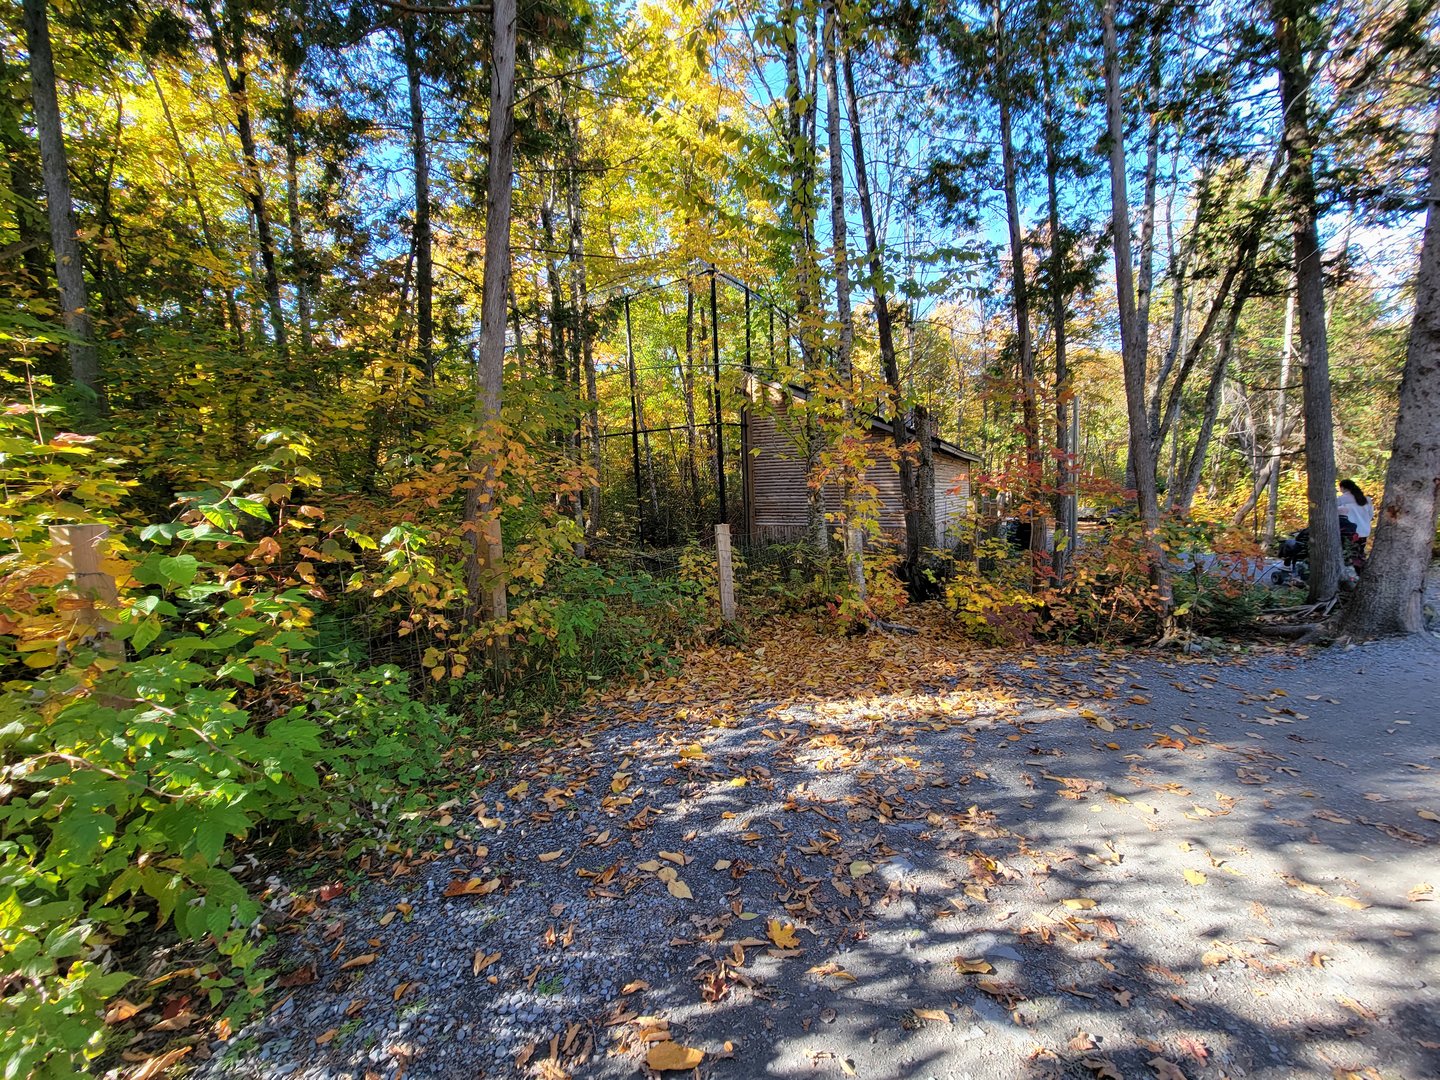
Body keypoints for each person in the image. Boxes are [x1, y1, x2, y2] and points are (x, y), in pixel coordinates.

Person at [1337, 479, 1372, 559]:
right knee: (1360, 553)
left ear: (1342, 488)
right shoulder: (1367, 499)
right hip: (1364, 531)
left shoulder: (1340, 500)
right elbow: (1370, 515)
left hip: (1349, 532)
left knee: (1349, 556)